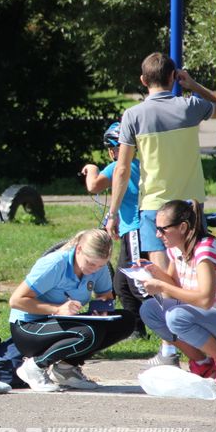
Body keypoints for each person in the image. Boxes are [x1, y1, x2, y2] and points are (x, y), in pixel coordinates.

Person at [106, 52, 216, 365]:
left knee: (163, 281)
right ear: (174, 77)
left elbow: (122, 169)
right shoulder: (190, 106)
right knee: (192, 275)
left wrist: (112, 213)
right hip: (191, 207)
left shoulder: (133, 115)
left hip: (154, 209)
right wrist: (194, 85)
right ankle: (203, 343)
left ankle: (172, 351)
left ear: (142, 80)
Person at [9, 229, 136, 392]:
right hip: (28, 327)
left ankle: (66, 369)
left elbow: (105, 295)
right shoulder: (55, 264)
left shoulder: (98, 267)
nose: (95, 269)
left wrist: (102, 308)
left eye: (100, 265)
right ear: (79, 250)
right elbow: (16, 300)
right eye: (90, 263)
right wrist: (57, 309)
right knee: (89, 333)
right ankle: (34, 367)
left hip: (60, 321)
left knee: (126, 320)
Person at [137, 199, 216, 392]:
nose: (158, 234)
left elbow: (205, 300)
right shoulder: (176, 249)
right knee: (150, 310)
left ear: (183, 227)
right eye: (157, 229)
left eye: (163, 229)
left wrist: (160, 285)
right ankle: (203, 363)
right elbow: (176, 286)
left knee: (177, 316)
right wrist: (153, 272)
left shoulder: (205, 250)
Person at [80, 121, 147, 338]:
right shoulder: (141, 165)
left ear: (114, 149)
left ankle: (169, 325)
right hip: (132, 229)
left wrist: (92, 168)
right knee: (121, 283)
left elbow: (93, 186)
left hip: (135, 228)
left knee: (137, 283)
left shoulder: (119, 166)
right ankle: (136, 330)